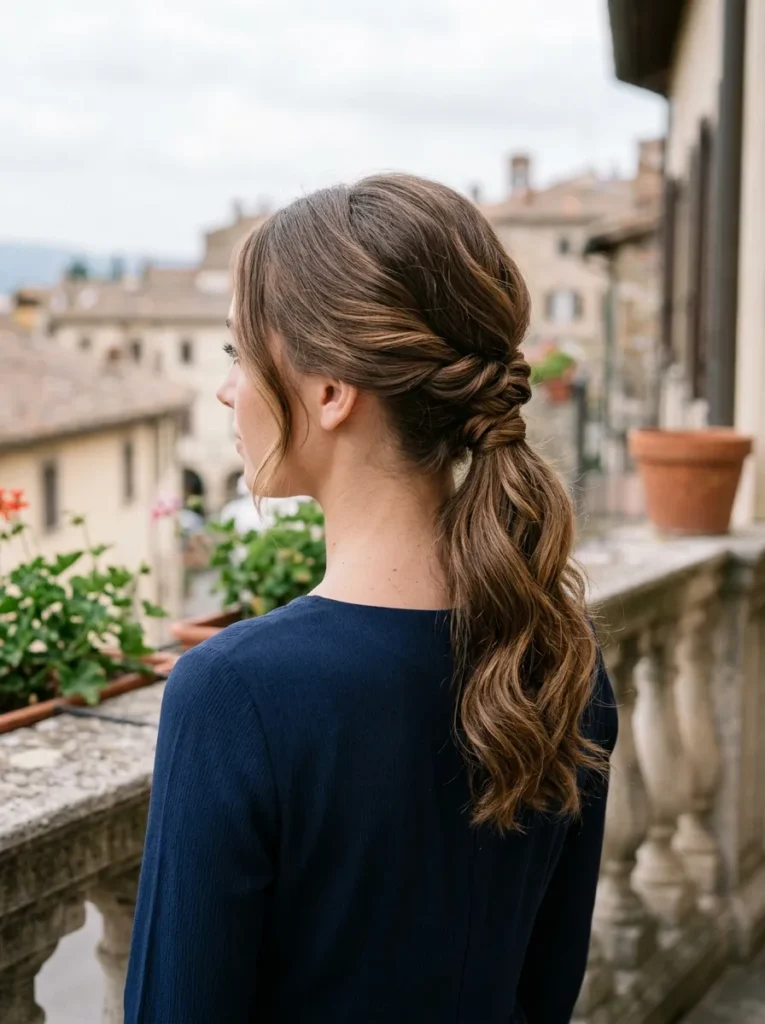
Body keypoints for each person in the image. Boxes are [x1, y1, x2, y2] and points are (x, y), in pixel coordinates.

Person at [125, 174, 618, 1023]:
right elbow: (548, 989)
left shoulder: (236, 695)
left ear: (328, 392)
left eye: (239, 356)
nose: (227, 390)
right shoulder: (561, 658)